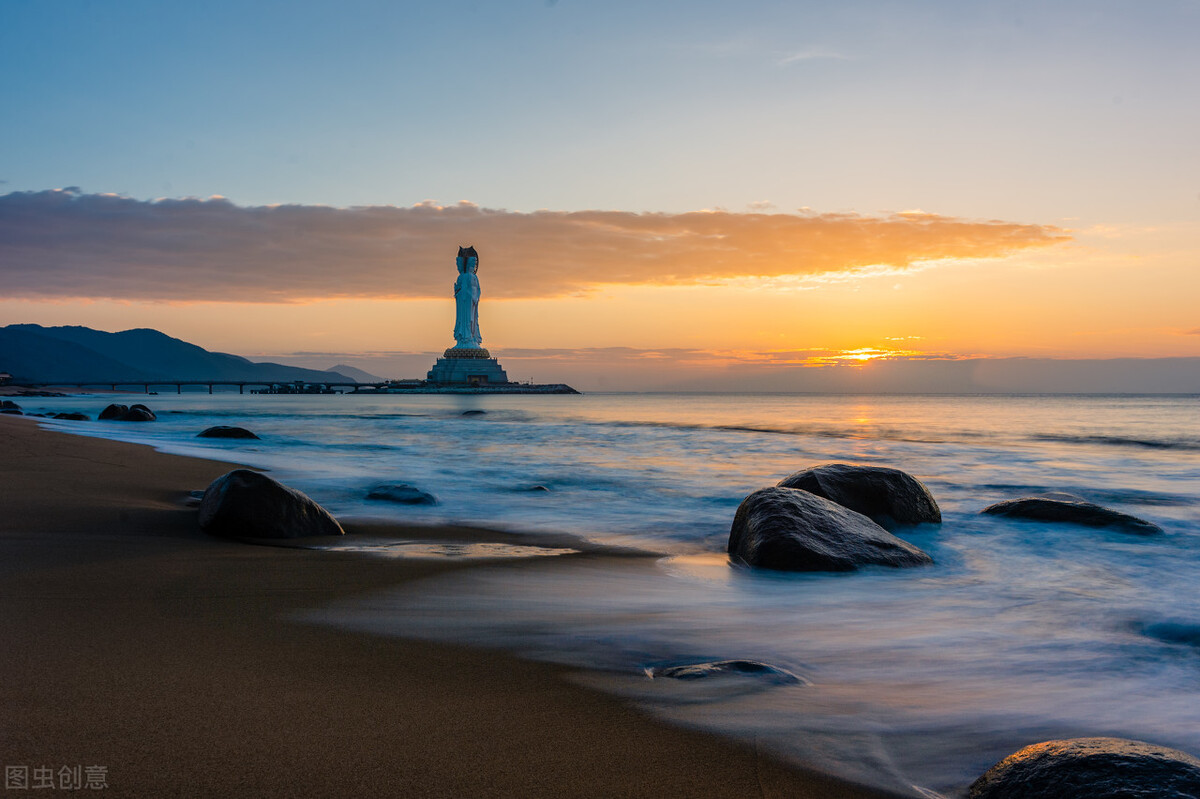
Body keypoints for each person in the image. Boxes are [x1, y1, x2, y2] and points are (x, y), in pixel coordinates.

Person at [452, 246, 482, 348]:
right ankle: (464, 339)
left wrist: (473, 297)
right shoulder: (462, 277)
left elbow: (477, 291)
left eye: (474, 264)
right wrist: (458, 292)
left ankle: (471, 339)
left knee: (472, 320)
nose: (473, 266)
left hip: (471, 302)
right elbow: (462, 292)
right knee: (465, 320)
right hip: (464, 303)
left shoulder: (473, 277)